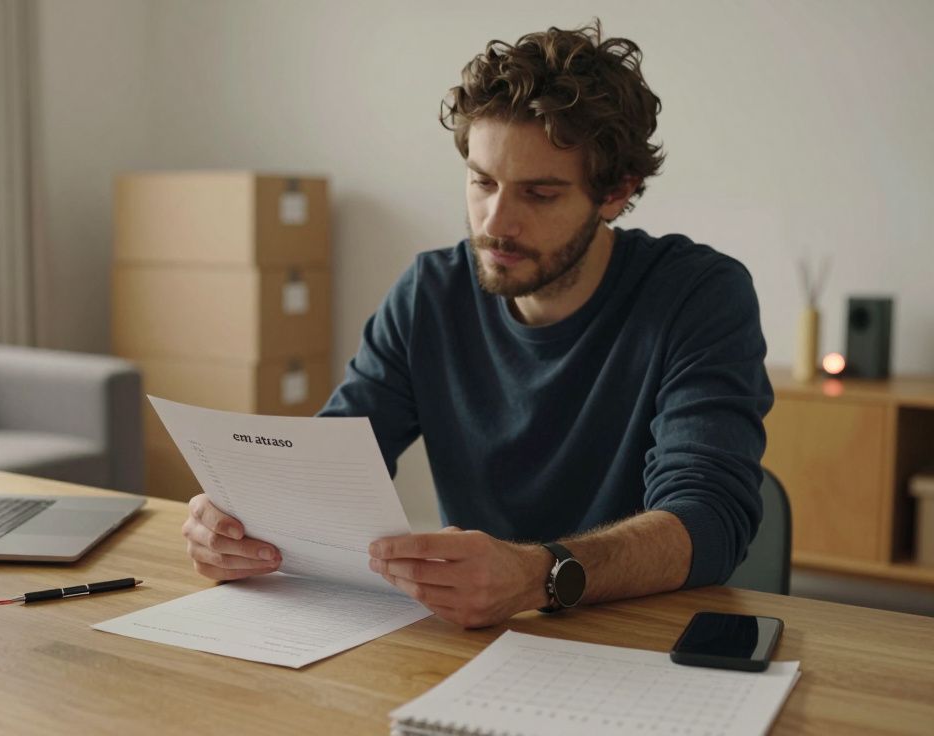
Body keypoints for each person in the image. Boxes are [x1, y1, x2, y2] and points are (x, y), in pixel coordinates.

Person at [180, 21, 773, 628]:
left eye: (540, 194)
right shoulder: (430, 293)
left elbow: (709, 518)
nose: (497, 222)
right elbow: (335, 465)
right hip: (477, 637)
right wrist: (242, 523)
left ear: (617, 193)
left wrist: (539, 575)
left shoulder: (698, 295)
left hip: (639, 635)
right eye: (482, 182)